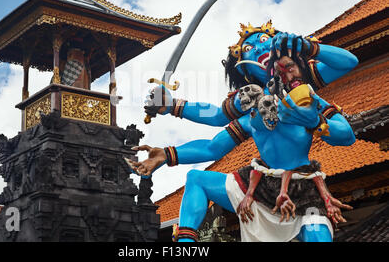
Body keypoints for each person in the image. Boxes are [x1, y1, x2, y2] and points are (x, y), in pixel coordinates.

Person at [128, 21, 358, 242]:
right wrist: (169, 132)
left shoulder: (306, 95)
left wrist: (315, 120)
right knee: (197, 179)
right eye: (249, 49)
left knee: (318, 235)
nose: (259, 47)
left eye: (265, 40)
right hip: (258, 185)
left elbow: (346, 130)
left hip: (302, 186)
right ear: (245, 69)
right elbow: (214, 138)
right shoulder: (249, 106)